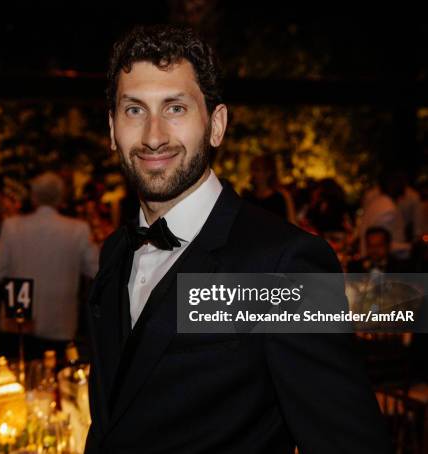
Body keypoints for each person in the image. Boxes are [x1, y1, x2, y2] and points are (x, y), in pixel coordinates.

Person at [85, 24, 390, 453]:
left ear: (216, 125)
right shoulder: (116, 251)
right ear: (112, 128)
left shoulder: (282, 265)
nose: (153, 136)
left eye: (175, 108)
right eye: (134, 110)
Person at [0, 172, 99, 360]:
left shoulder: (12, 226)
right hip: (60, 323)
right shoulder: (77, 230)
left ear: (33, 197)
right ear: (61, 198)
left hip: (17, 322)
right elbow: (96, 270)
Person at [242, 154, 295, 223]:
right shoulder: (248, 197)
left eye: (257, 170)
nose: (253, 173)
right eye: (252, 169)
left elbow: (292, 223)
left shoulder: (281, 197)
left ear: (268, 173)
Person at [347, 227, 412, 273]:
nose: (374, 249)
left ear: (388, 246)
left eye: (379, 245)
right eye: (371, 246)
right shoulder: (355, 267)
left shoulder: (401, 268)